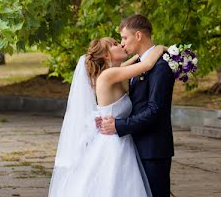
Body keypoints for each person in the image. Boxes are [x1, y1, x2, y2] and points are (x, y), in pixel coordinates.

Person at [48, 36, 166, 197]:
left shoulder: (112, 72)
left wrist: (139, 54)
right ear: (106, 55)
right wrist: (161, 48)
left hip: (120, 138)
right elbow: (147, 64)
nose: (121, 45)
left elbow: (129, 63)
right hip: (112, 143)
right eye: (115, 44)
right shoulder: (108, 76)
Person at [97, 14, 174, 197]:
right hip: (134, 146)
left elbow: (155, 110)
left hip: (153, 149)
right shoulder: (140, 65)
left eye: (124, 38)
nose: (122, 43)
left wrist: (119, 125)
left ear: (138, 36)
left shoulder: (161, 66)